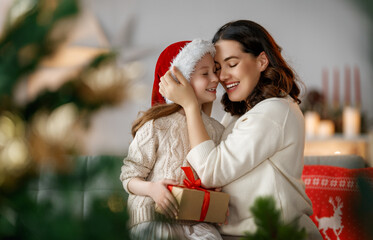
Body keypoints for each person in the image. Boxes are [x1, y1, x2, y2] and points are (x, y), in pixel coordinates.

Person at [159, 20, 322, 240]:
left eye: (232, 64)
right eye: (218, 68)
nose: (222, 77)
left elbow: (210, 171)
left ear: (262, 61)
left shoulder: (274, 111)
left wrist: (190, 106)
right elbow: (211, 165)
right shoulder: (239, 114)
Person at [120, 39, 225, 240]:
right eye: (205, 73)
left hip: (196, 221)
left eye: (215, 70)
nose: (215, 78)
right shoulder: (156, 125)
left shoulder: (216, 130)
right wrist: (152, 189)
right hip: (153, 217)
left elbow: (214, 172)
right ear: (180, 79)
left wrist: (214, 191)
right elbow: (129, 176)